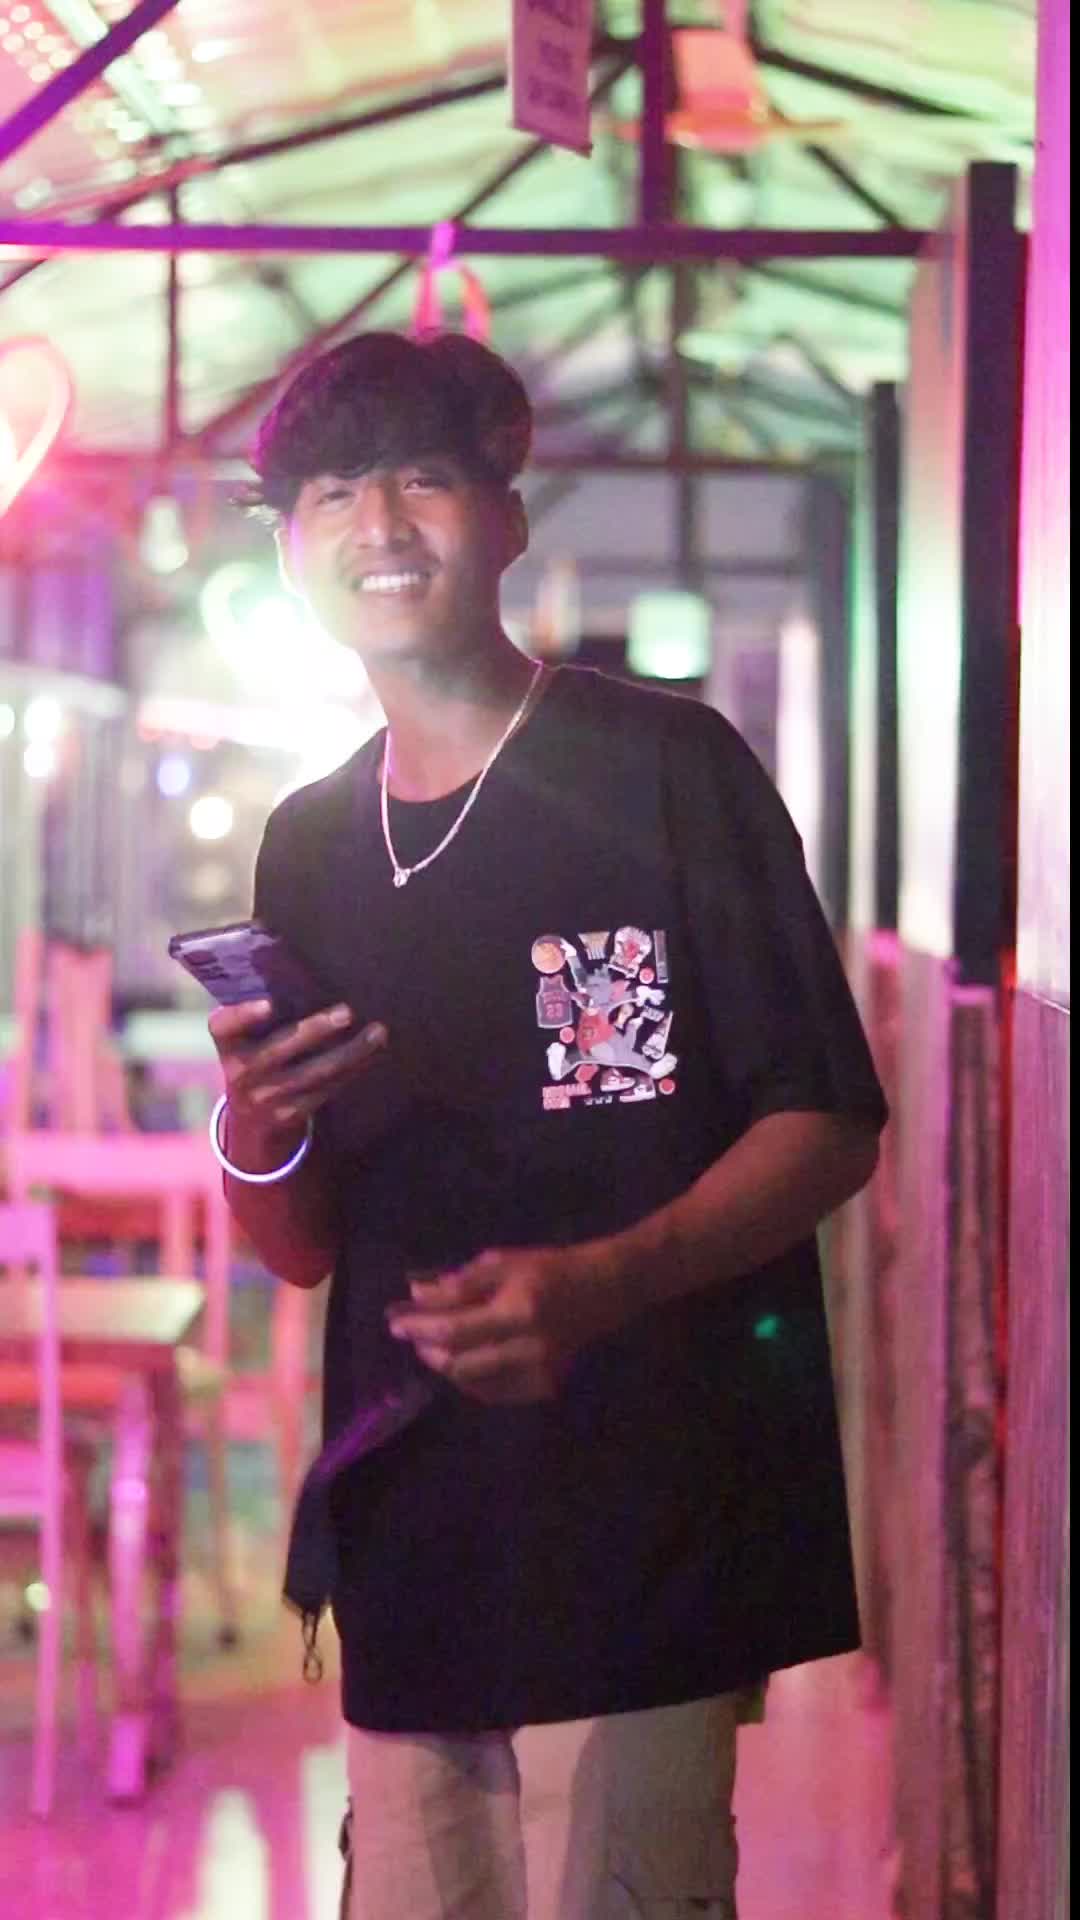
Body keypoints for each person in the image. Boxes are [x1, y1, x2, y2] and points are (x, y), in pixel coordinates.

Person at [207, 329, 888, 1920]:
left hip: (648, 1506)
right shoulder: (309, 843)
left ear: (507, 518)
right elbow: (301, 1249)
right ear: (292, 549)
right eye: (331, 495)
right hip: (412, 1526)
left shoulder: (666, 768)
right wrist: (254, 1120)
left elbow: (828, 1120)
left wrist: (603, 1282)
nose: (379, 526)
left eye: (420, 480)